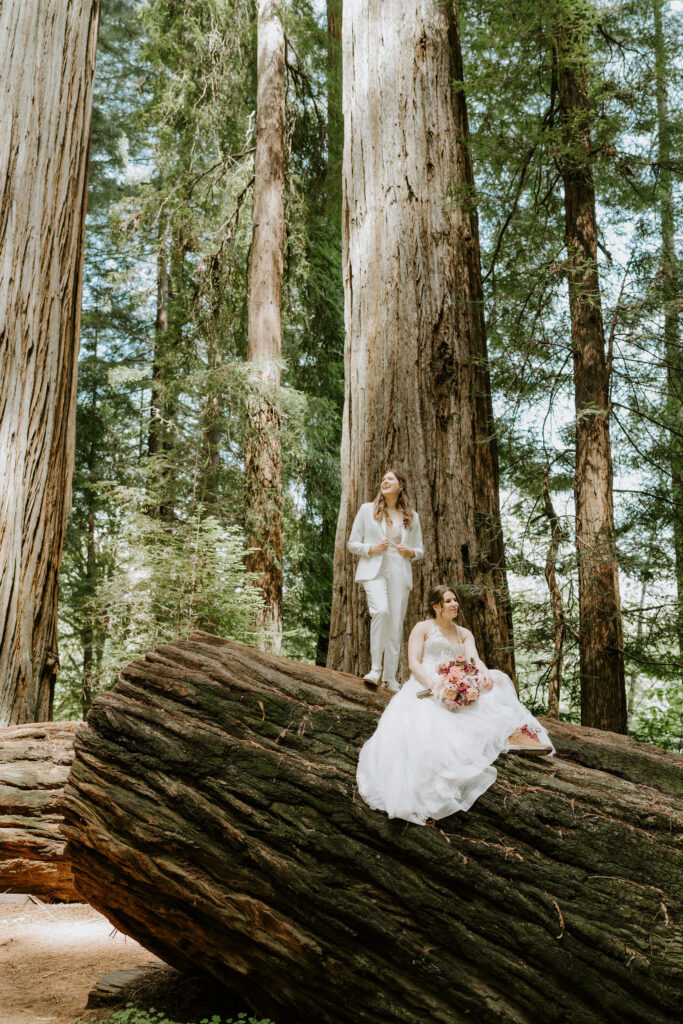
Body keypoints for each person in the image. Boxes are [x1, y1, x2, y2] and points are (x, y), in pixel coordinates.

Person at [356, 584, 554, 825]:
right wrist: (435, 684)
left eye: (455, 600)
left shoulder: (463, 633)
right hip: (426, 683)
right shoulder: (422, 628)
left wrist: (481, 673)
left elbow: (473, 659)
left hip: (457, 679)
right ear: (436, 606)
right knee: (431, 725)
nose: (454, 604)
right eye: (448, 601)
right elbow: (413, 663)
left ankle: (514, 737)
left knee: (495, 683)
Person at [347, 470, 423, 691]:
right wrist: (371, 548)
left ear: (401, 486)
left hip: (399, 568)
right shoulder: (366, 510)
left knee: (396, 623)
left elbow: (420, 550)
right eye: (382, 479)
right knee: (380, 611)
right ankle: (375, 670)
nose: (385, 481)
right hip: (374, 569)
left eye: (390, 479)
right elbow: (352, 543)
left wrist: (411, 552)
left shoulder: (412, 517)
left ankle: (391, 678)